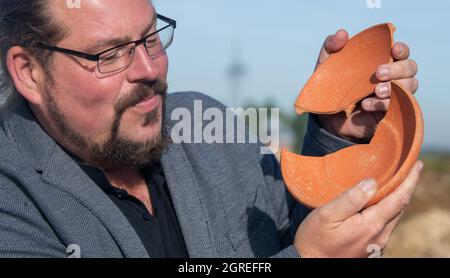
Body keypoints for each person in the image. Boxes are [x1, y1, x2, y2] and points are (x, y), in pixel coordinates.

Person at [0, 0, 422, 258]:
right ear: (29, 72)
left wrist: (339, 135)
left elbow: (295, 228)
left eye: (151, 37)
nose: (150, 70)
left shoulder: (208, 127)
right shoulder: (11, 203)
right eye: (109, 54)